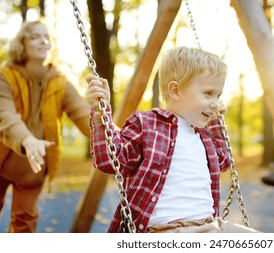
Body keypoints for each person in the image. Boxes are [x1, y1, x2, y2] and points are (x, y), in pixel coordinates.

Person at [86, 46, 258, 233]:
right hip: (169, 230)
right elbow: (111, 159)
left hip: (210, 225)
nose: (215, 103)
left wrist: (216, 122)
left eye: (218, 96)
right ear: (175, 91)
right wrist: (100, 111)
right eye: (208, 93)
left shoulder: (203, 136)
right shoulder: (147, 124)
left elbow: (223, 160)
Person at [0, 20, 90, 232]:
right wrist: (28, 140)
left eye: (46, 37)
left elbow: (82, 113)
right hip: (2, 156)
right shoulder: (5, 76)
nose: (43, 41)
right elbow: (4, 115)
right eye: (35, 36)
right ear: (21, 43)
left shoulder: (59, 82)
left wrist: (117, 138)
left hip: (33, 166)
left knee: (25, 222)